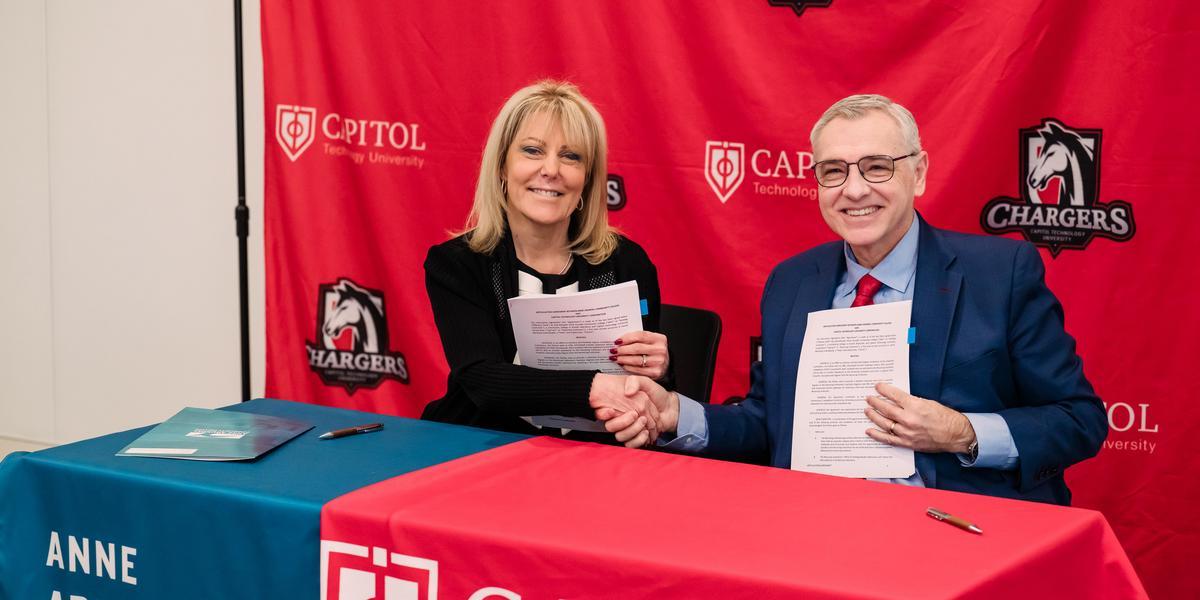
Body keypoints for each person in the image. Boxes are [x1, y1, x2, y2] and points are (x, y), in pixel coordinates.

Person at [613, 94, 1107, 505]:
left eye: (876, 167)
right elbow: (768, 423)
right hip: (814, 525)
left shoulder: (1001, 274)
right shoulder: (792, 282)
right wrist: (677, 414)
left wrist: (961, 432)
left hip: (950, 533)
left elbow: (1078, 420)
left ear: (919, 173)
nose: (853, 190)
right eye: (833, 171)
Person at [422, 80, 670, 447]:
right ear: (502, 167)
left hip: (598, 465)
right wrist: (594, 388)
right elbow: (482, 380)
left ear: (586, 180)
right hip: (479, 454)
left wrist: (658, 369)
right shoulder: (458, 263)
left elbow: (651, 391)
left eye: (571, 157)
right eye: (533, 151)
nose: (551, 169)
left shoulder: (627, 262)